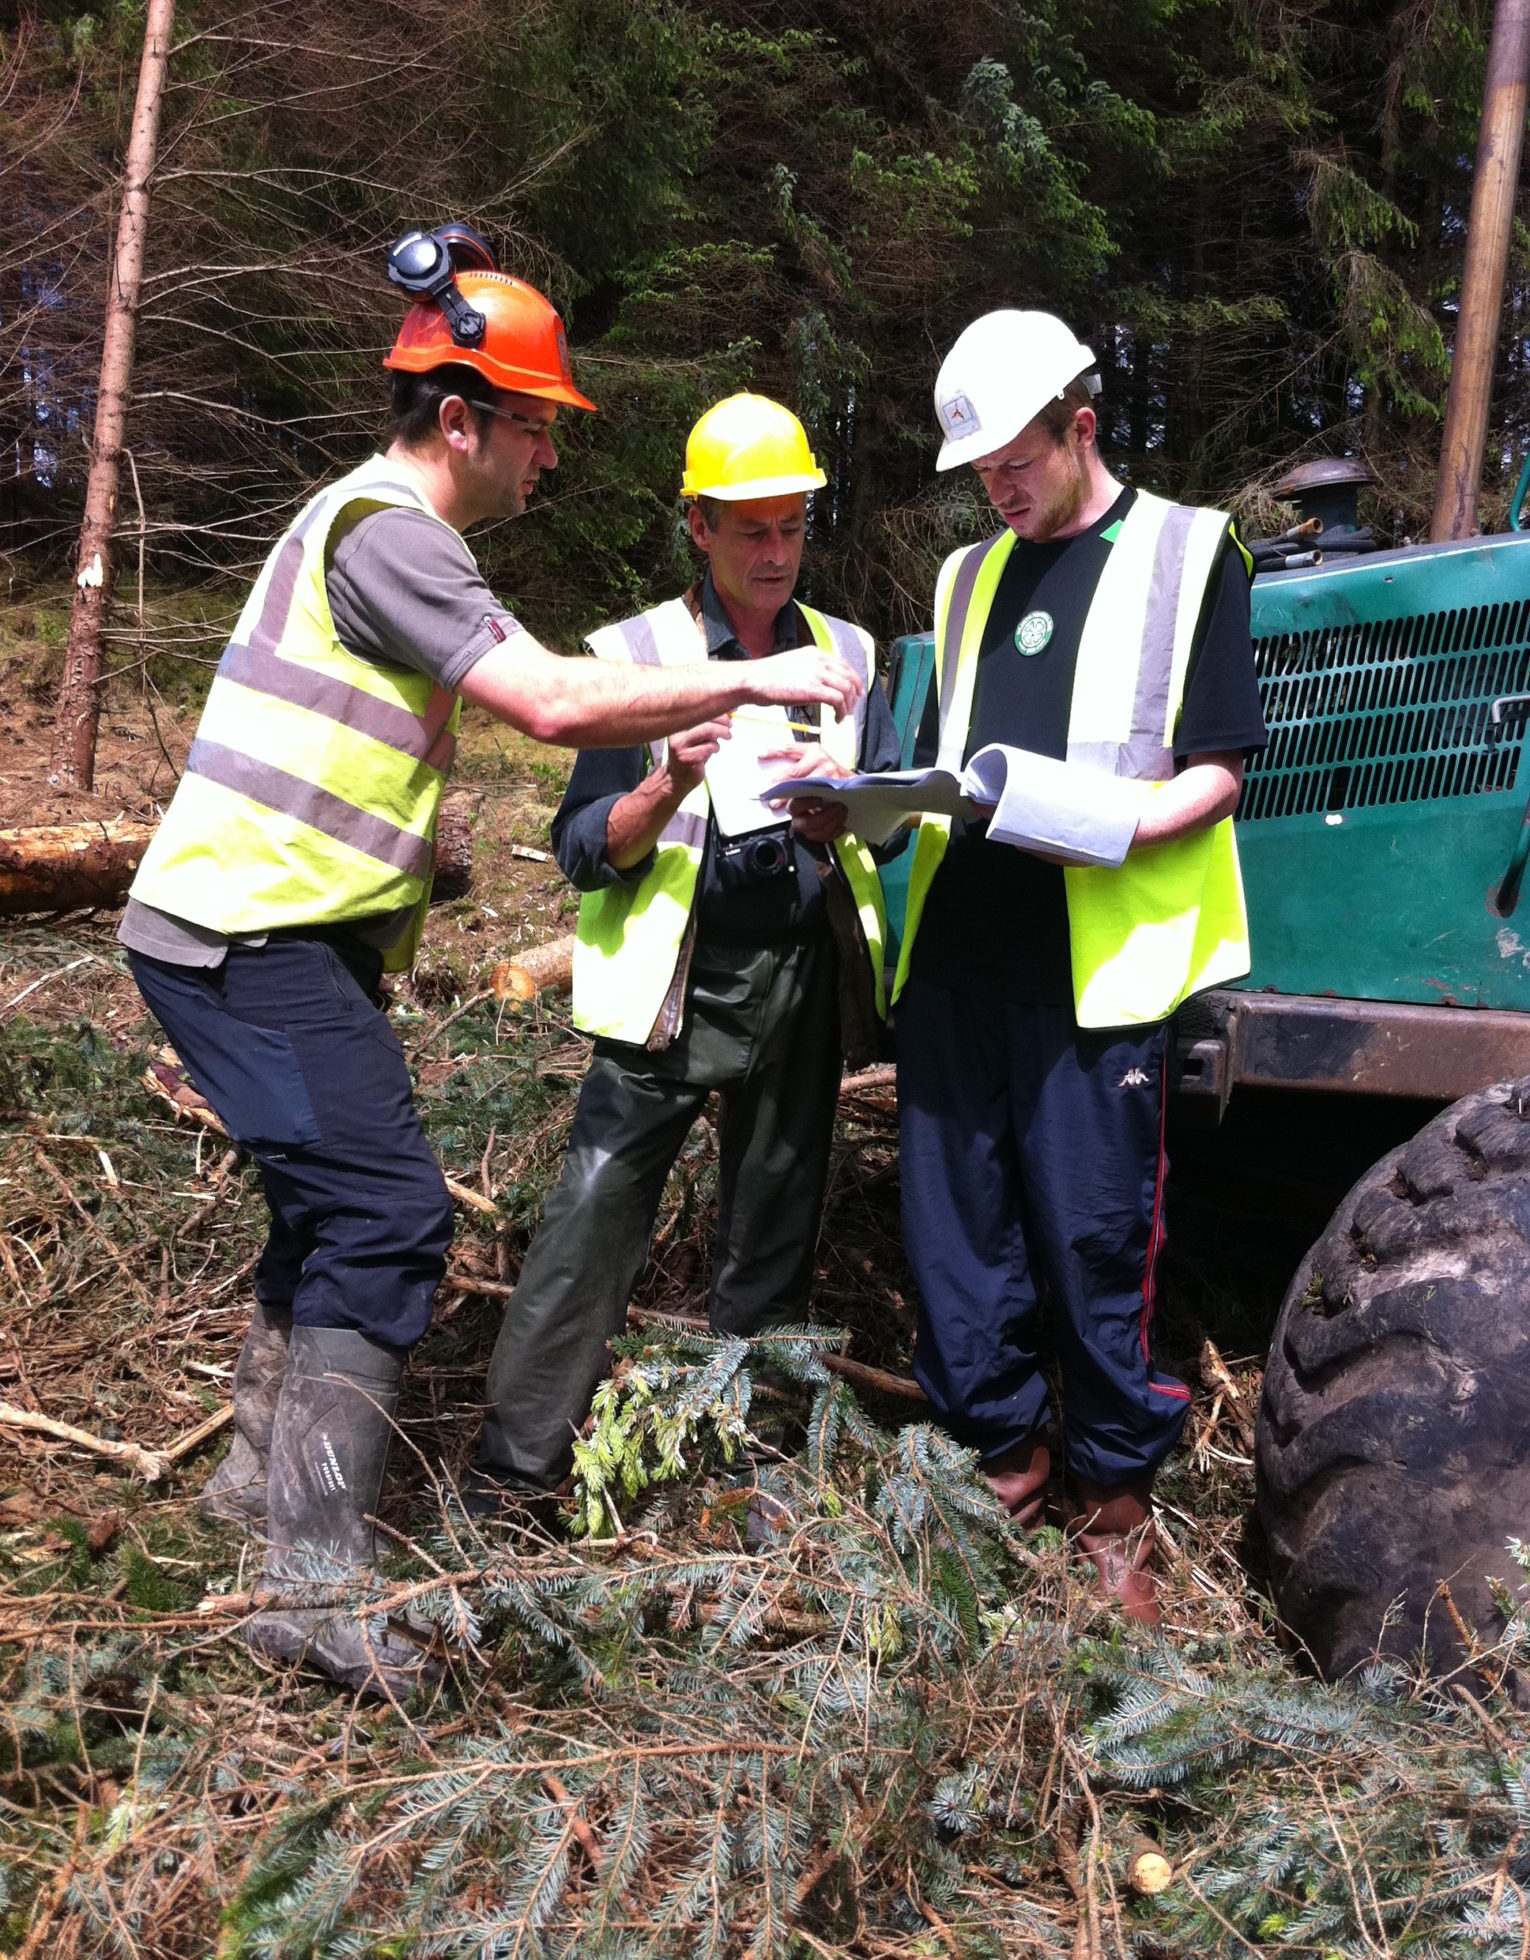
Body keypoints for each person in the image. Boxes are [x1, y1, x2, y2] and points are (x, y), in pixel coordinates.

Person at [120, 234, 863, 1701]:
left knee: (323, 1206)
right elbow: (542, 701)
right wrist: (748, 676)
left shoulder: (372, 523)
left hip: (265, 933)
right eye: (535, 429)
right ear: (459, 419)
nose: (546, 461)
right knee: (390, 1219)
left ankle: (250, 1504)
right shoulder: (394, 530)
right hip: (238, 932)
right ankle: (314, 1588)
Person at [894, 310, 1267, 1625]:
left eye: (1015, 461)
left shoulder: (1185, 550)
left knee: (1096, 1238)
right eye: (980, 472)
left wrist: (1102, 827)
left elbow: (1217, 770)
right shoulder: (962, 579)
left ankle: (1113, 1507)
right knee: (958, 1236)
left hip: (1096, 971)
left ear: (1080, 426)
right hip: (958, 959)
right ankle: (1001, 1468)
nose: (997, 488)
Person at [465, 392, 897, 1514]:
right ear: (697, 526)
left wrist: (850, 816)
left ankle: (749, 1470)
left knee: (775, 1235)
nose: (773, 552)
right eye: (749, 528)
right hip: (671, 988)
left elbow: (893, 819)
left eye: (792, 526)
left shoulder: (847, 654)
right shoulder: (635, 657)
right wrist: (666, 782)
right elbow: (580, 848)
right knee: (591, 1222)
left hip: (801, 979)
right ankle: (514, 1474)